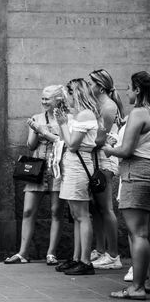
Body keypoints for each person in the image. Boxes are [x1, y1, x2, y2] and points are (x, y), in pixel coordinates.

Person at [5, 85, 65, 265]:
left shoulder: (65, 119)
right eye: (42, 98)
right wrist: (35, 129)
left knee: (56, 211)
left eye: (47, 99)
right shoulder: (37, 118)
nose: (44, 102)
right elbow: (31, 146)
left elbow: (65, 142)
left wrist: (47, 132)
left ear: (58, 100)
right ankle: (22, 253)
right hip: (37, 166)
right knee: (28, 210)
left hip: (57, 167)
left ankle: (51, 253)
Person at [104, 71, 150, 300]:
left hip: (137, 172)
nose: (127, 92)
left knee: (138, 234)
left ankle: (138, 288)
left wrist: (108, 149)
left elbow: (126, 151)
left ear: (139, 90)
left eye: (130, 88)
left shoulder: (139, 113)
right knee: (146, 233)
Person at [54, 78, 100, 276]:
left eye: (69, 93)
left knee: (82, 215)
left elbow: (72, 144)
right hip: (72, 166)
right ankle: (76, 257)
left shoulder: (86, 114)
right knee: (76, 216)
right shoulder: (79, 115)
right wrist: (64, 122)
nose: (67, 97)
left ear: (77, 93)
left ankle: (85, 261)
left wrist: (63, 124)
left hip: (79, 167)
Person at [87, 68, 124, 270]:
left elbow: (100, 139)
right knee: (98, 209)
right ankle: (101, 251)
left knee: (106, 208)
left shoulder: (108, 107)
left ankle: (114, 255)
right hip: (96, 158)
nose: (88, 86)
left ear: (100, 86)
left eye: (91, 83)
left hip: (104, 160)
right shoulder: (98, 104)